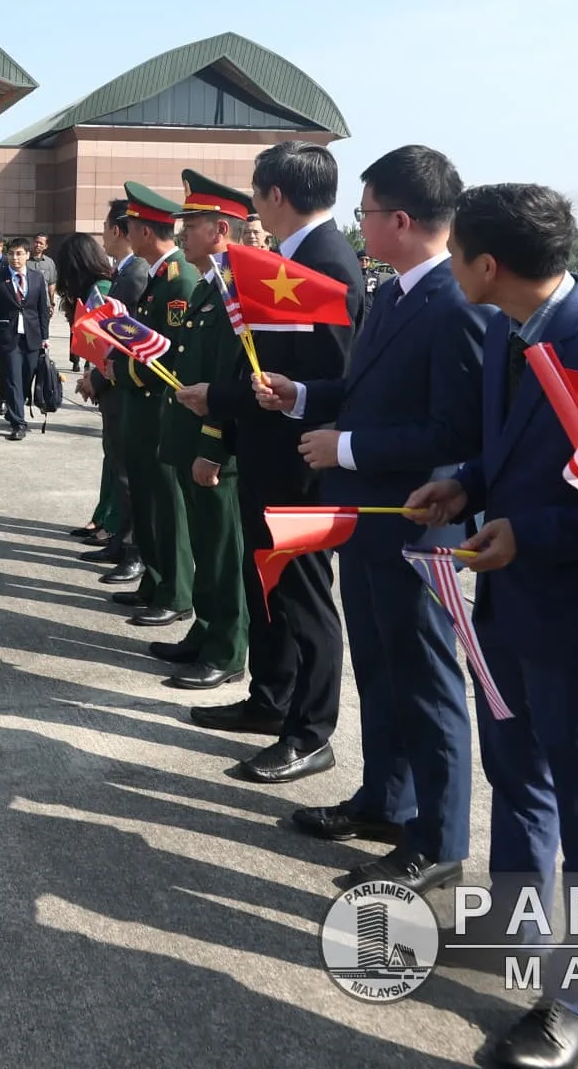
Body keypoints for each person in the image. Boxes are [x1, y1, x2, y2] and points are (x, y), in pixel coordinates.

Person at [401, 182, 578, 1069]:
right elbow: (511, 446)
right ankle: (512, 927)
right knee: (515, 775)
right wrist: (466, 483)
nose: (450, 267)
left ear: (486, 264)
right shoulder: (507, 331)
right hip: (507, 604)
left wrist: (534, 533)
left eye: (456, 254)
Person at [253, 147, 486, 894]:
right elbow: (360, 392)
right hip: (369, 518)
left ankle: (439, 840)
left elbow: (457, 433)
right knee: (381, 669)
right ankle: (387, 800)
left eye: (366, 212)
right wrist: (299, 397)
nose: (361, 225)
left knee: (426, 681)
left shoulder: (457, 303)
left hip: (419, 524)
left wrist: (345, 447)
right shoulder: (393, 293)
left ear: (402, 220)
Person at [190, 140, 365, 782]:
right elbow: (265, 365)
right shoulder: (292, 258)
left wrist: (218, 398)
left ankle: (310, 731)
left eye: (257, 194)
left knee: (304, 596)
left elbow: (335, 380)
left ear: (276, 195)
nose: (255, 206)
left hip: (301, 466)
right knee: (265, 584)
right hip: (267, 455)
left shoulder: (328, 263)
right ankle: (270, 699)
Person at [151, 175, 250, 673]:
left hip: (215, 447)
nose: (181, 233)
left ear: (221, 230)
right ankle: (205, 629)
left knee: (222, 552)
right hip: (191, 438)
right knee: (206, 546)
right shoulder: (211, 287)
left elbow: (230, 376)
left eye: (191, 225)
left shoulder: (236, 291)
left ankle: (227, 649)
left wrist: (212, 446)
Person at [73, 202, 149, 587]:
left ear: (118, 231)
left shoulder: (136, 274)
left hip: (124, 389)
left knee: (129, 475)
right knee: (119, 469)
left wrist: (98, 380)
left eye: (105, 227)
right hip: (113, 388)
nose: (102, 236)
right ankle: (119, 541)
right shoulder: (123, 272)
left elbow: (127, 343)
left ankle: (133, 551)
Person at [0, 238, 51, 439]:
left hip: (32, 336)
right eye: (11, 254)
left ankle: (13, 409)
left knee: (26, 377)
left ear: (27, 255)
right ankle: (19, 423)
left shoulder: (36, 278)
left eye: (19, 254)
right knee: (13, 379)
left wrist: (45, 336)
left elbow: (42, 309)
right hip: (7, 337)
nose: (15, 258)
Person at [29, 233, 58, 298]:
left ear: (46, 246)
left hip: (45, 300)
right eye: (36, 242)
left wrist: (51, 301)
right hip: (28, 301)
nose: (38, 245)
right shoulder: (24, 260)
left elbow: (51, 283)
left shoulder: (49, 262)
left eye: (41, 243)